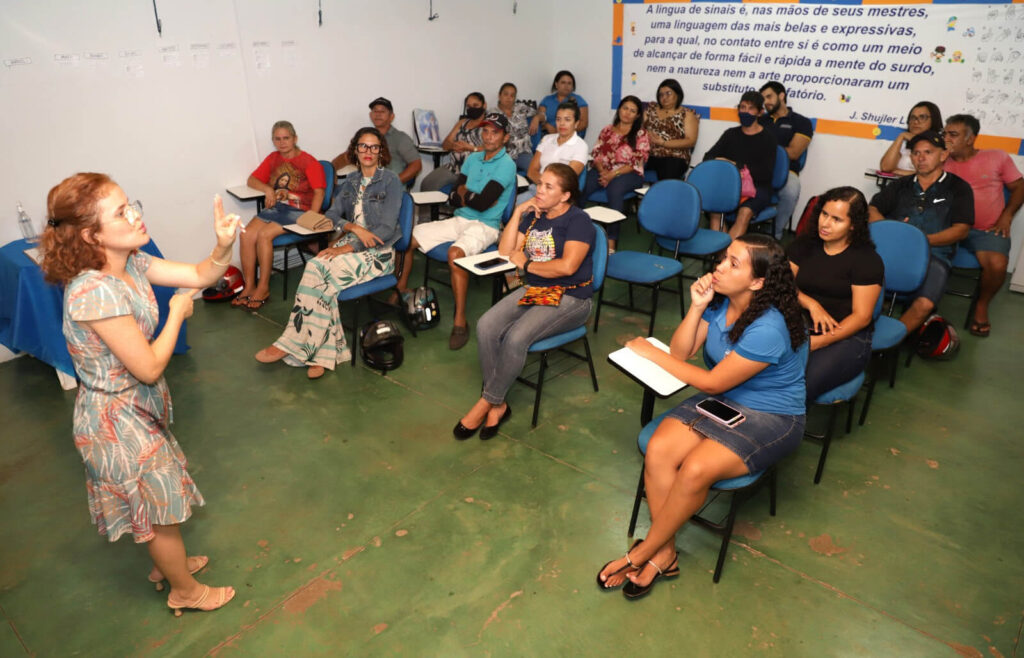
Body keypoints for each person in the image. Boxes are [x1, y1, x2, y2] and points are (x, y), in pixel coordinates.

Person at [39, 173, 240, 615]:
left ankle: (168, 566)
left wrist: (223, 246)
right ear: (92, 235)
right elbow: (148, 367)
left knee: (156, 500)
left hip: (134, 407)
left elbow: (199, 274)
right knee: (159, 510)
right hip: (113, 422)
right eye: (121, 213)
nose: (135, 216)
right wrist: (178, 311)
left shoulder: (129, 261)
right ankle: (184, 590)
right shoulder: (93, 291)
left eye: (131, 205)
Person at [596, 234, 808, 599]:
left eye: (733, 264)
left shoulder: (768, 327)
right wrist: (697, 307)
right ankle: (665, 553)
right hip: (727, 398)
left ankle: (643, 553)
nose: (719, 267)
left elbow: (711, 382)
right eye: (724, 258)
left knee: (695, 469)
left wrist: (650, 351)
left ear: (757, 282)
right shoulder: (721, 300)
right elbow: (682, 353)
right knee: (659, 448)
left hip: (771, 414)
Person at [454, 163, 595, 440]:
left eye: (548, 187)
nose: (539, 190)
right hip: (537, 289)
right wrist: (519, 211)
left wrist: (528, 265)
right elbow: (506, 251)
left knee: (516, 338)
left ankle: (486, 402)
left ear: (565, 196)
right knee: (486, 325)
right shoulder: (534, 216)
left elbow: (567, 266)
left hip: (571, 296)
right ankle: (498, 404)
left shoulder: (578, 221)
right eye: (539, 183)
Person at [254, 128, 404, 379]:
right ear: (355, 150)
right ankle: (314, 352)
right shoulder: (352, 181)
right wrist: (352, 228)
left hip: (379, 252)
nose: (368, 151)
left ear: (381, 151)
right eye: (363, 146)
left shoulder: (391, 181)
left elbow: (387, 229)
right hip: (352, 241)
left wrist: (348, 246)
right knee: (315, 266)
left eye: (374, 147)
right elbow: (332, 215)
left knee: (321, 271)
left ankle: (296, 346)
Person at [397, 112, 517, 350]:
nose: (488, 136)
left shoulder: (507, 165)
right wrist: (469, 197)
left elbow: (482, 204)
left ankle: (460, 321)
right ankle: (400, 293)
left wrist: (466, 196)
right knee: (407, 239)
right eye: (485, 131)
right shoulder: (473, 158)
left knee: (454, 254)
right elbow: (453, 195)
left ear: (505, 138)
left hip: (486, 226)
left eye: (495, 133)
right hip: (460, 218)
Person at [869, 131, 973, 333]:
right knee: (851, 283)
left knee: (924, 304)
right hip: (892, 251)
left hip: (934, 255)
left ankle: (893, 340)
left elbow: (961, 230)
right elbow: (872, 209)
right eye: (916, 153)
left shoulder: (959, 188)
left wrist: (921, 241)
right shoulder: (901, 185)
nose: (921, 158)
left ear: (943, 155)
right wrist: (890, 233)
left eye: (928, 152)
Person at [787, 187, 883, 401]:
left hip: (846, 334)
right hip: (800, 322)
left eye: (836, 219)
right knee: (759, 368)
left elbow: (862, 317)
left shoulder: (867, 261)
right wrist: (812, 304)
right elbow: (783, 284)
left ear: (853, 225)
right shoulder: (805, 244)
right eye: (824, 214)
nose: (825, 223)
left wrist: (818, 342)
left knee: (800, 385)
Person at [942, 114, 1024, 337]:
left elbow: (1020, 187)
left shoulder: (996, 157)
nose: (946, 138)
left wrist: (1007, 216)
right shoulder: (940, 159)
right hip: (948, 228)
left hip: (985, 230)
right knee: (919, 248)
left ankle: (982, 304)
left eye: (953, 134)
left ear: (970, 139)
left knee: (997, 265)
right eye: (945, 133)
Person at [234, 121, 326, 310]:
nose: (282, 142)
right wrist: (268, 189)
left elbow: (319, 193)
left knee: (264, 235)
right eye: (277, 139)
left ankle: (263, 288)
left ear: (295, 138)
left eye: (286, 138)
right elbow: (252, 180)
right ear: (273, 140)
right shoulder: (273, 158)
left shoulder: (309, 162)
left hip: (300, 211)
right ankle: (249, 286)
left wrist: (311, 219)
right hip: (278, 208)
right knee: (246, 234)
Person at [703, 91, 778, 239]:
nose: (745, 112)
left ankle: (729, 252)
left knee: (744, 213)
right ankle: (721, 252)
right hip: (729, 186)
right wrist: (726, 164)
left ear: (760, 112)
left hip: (757, 188)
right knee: (715, 212)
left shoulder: (768, 138)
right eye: (742, 107)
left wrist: (736, 166)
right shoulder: (730, 134)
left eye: (751, 108)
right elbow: (708, 157)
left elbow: (765, 173)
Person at [580, 95, 650, 251]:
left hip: (629, 173)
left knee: (615, 189)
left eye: (632, 111)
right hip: (603, 170)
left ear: (637, 115)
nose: (627, 113)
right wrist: (603, 171)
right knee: (583, 185)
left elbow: (637, 161)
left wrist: (613, 174)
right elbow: (596, 153)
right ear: (619, 110)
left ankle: (612, 241)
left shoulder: (641, 134)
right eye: (625, 108)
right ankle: (577, 228)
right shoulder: (607, 130)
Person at [759, 81, 813, 239]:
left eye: (769, 97)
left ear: (781, 96)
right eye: (763, 99)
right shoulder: (760, 120)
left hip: (786, 171)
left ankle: (775, 232)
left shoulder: (801, 122)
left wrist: (765, 149)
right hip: (759, 168)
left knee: (791, 191)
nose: (766, 102)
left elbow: (794, 153)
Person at [331, 97, 422, 187]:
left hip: (390, 190)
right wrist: (331, 170)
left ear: (391, 116)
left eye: (382, 111)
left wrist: (392, 183)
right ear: (370, 115)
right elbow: (346, 157)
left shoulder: (401, 138)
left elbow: (416, 165)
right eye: (375, 111)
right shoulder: (365, 136)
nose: (378, 114)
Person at [518, 101, 588, 204]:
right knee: (511, 208)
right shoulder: (547, 139)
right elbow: (531, 172)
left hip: (560, 198)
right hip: (536, 191)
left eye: (567, 119)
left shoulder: (581, 146)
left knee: (523, 210)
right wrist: (544, 187)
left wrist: (545, 187)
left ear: (576, 123)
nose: (562, 123)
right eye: (558, 119)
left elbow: (567, 180)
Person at [420, 92, 487, 192]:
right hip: (454, 168)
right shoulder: (462, 122)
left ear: (484, 105)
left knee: (462, 194)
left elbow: (492, 149)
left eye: (475, 105)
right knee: (426, 184)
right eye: (469, 106)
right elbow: (445, 144)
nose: (472, 109)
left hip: (474, 171)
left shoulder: (488, 126)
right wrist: (454, 146)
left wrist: (470, 148)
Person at [642, 78, 699, 181]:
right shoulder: (651, 109)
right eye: (661, 95)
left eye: (668, 93)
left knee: (668, 172)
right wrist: (646, 134)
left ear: (678, 94)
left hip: (674, 156)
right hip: (649, 153)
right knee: (629, 162)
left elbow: (691, 141)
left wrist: (664, 143)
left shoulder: (687, 114)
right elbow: (637, 128)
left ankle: (666, 191)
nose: (664, 97)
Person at [879, 102, 943, 176]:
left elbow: (932, 174)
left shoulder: (940, 144)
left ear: (934, 120)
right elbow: (886, 168)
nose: (916, 122)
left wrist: (898, 171)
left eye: (922, 117)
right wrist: (901, 136)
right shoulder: (904, 141)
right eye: (913, 118)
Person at [531, 70, 590, 141]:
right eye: (563, 82)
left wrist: (562, 132)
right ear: (556, 84)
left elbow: (584, 124)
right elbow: (541, 116)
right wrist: (540, 121)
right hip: (548, 135)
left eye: (569, 83)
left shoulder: (579, 100)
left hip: (570, 137)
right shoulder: (547, 100)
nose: (566, 86)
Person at [495, 82, 537, 173]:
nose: (509, 98)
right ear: (499, 95)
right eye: (506, 94)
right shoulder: (493, 114)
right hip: (504, 154)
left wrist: (537, 118)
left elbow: (539, 113)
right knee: (503, 175)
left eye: (512, 95)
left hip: (524, 152)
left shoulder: (521, 108)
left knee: (535, 172)